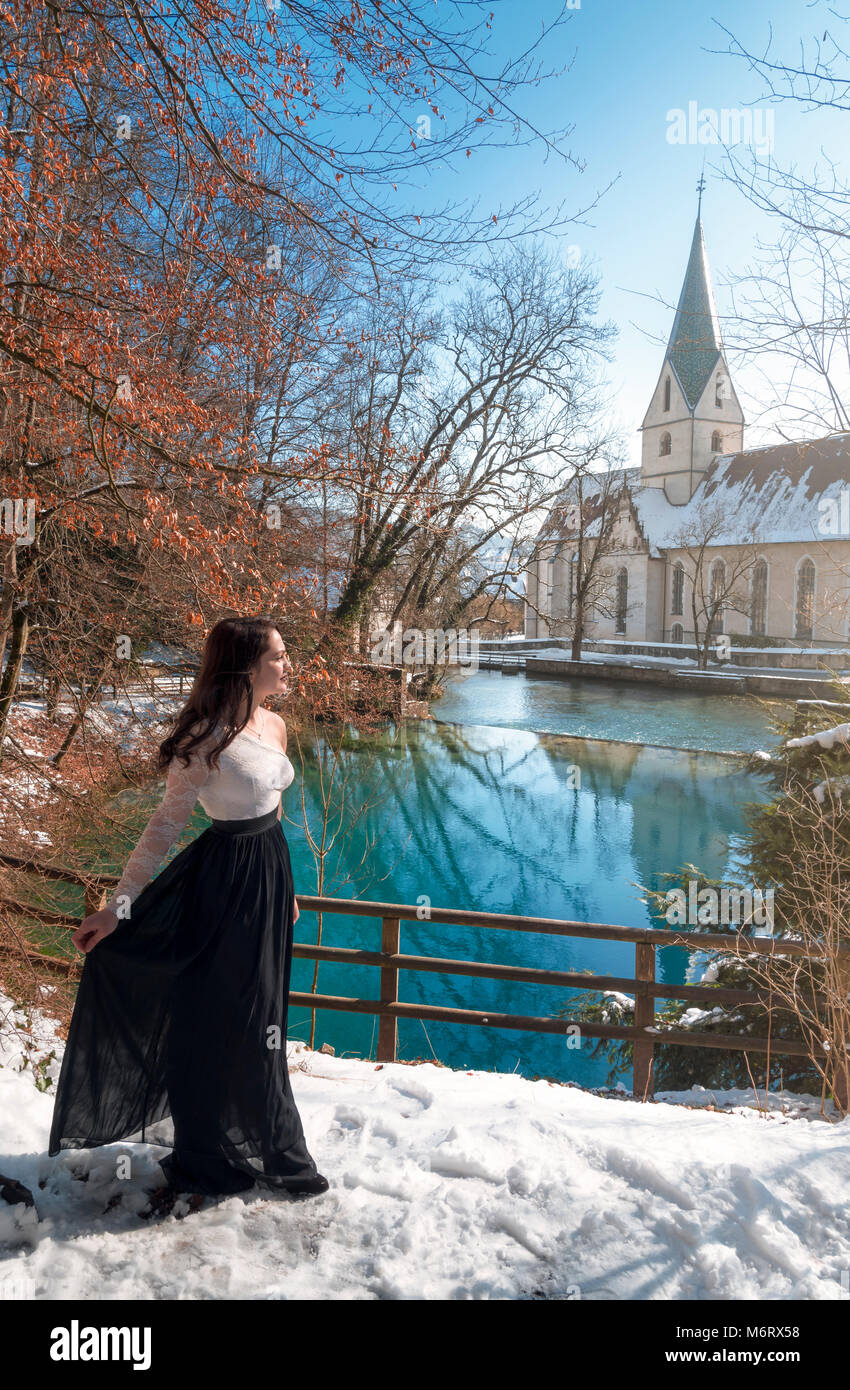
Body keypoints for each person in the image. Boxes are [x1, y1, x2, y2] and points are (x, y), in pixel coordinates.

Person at [48, 616, 328, 1210]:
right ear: (248, 665)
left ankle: (262, 1142)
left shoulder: (275, 724)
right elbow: (163, 827)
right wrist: (116, 910)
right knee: (218, 1016)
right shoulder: (204, 738)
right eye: (278, 655)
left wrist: (289, 889)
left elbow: (271, 813)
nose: (288, 664)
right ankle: (210, 1153)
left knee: (264, 1016)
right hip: (220, 884)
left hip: (268, 877)